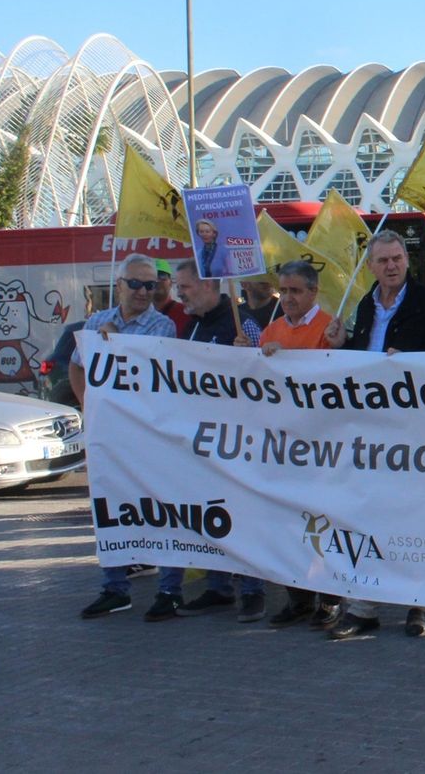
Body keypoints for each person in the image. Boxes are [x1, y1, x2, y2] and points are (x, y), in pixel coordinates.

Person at [332, 230, 425, 639]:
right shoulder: (365, 304)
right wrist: (343, 342)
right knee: (365, 513)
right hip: (369, 426)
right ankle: (362, 605)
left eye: (397, 258)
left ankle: (418, 604)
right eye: (383, 260)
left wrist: (413, 365)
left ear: (406, 259)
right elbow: (361, 356)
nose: (391, 266)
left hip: (414, 427)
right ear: (370, 266)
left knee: (413, 516)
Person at [73, 255, 181, 621]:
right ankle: (114, 588)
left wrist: (115, 348)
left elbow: (153, 373)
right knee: (111, 507)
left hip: (149, 436)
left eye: (150, 285)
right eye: (135, 284)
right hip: (111, 435)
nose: (142, 292)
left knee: (164, 511)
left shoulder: (162, 326)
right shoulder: (96, 322)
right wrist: (89, 406)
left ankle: (169, 590)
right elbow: (76, 363)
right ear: (118, 285)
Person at [164, 262, 268, 623]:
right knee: (211, 514)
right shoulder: (190, 326)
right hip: (200, 440)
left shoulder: (244, 323)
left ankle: (254, 591)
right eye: (177, 287)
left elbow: (266, 378)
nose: (180, 293)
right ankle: (218, 585)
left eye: (185, 286)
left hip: (239, 440)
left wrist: (248, 356)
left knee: (244, 515)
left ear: (209, 285)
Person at [257, 260, 348, 630]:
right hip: (284, 444)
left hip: (323, 444)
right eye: (284, 290)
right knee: (287, 521)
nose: (288, 298)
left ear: (313, 291)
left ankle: (329, 599)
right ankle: (298, 597)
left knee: (323, 521)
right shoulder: (272, 330)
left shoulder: (330, 327)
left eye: (296, 291)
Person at [152, 258, 192, 336]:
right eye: (153, 276)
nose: (157, 281)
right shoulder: (139, 315)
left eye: (162, 276)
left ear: (171, 282)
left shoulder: (187, 313)